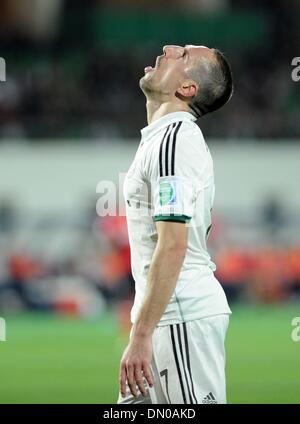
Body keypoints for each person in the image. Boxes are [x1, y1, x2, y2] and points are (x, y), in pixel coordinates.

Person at [117, 44, 233, 404]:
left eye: (182, 55)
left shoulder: (173, 141)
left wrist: (141, 335)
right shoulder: (162, 139)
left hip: (179, 317)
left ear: (186, 89)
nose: (168, 48)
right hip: (162, 318)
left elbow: (173, 245)